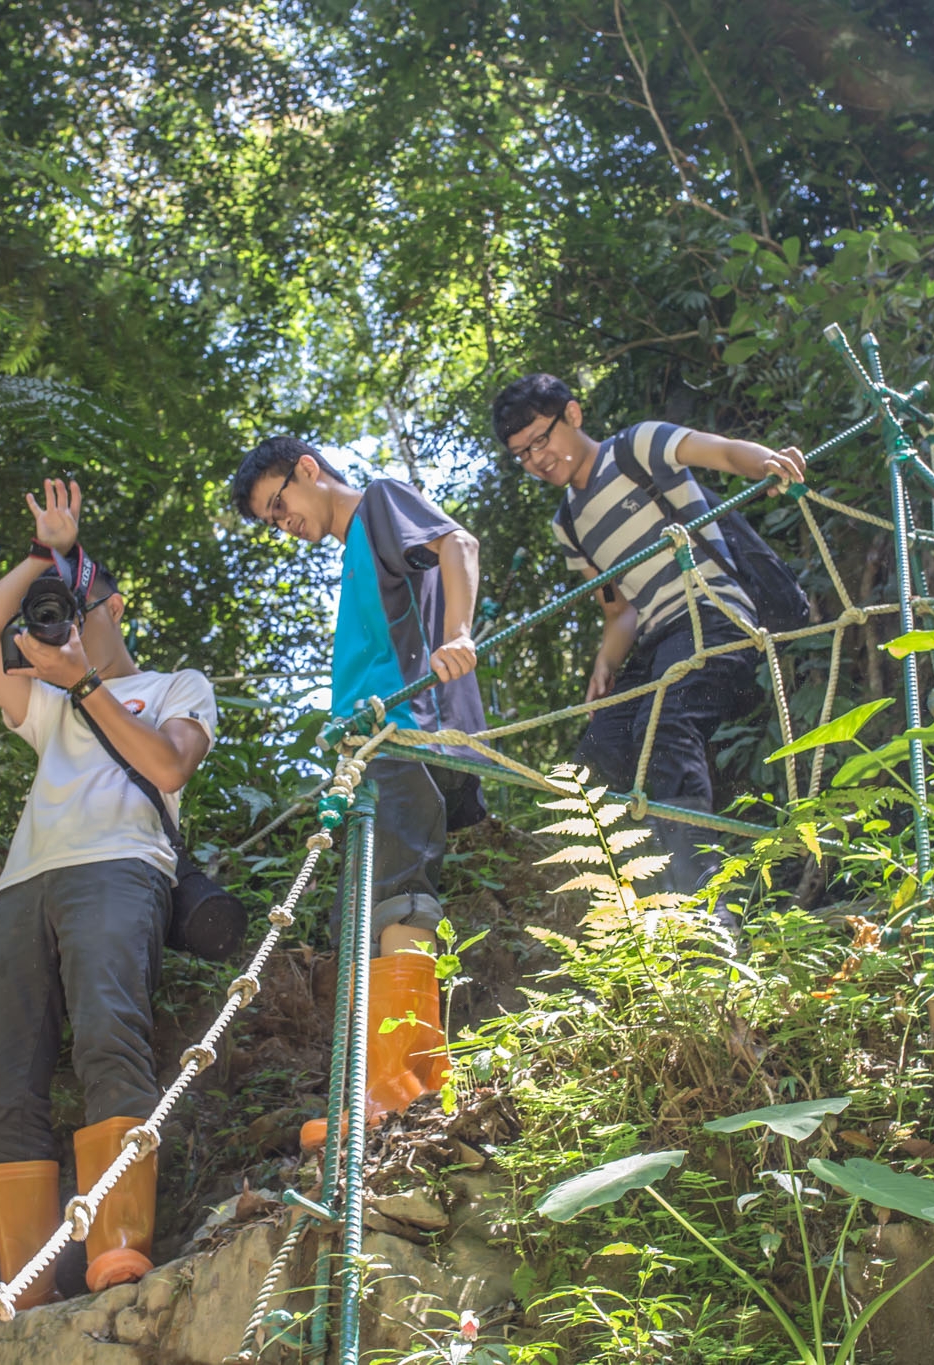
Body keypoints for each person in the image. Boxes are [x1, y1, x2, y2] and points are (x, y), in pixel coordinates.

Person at [0, 478, 219, 1348]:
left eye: (84, 598)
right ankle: (24, 1283)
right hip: (24, 885)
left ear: (115, 607)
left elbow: (169, 769)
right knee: (6, 1075)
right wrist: (41, 558)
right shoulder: (47, 698)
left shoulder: (178, 684)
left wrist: (86, 679)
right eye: (62, 604)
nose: (71, 614)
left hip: (120, 869)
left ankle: (118, 1243)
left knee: (109, 1034)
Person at [230, 438, 484, 1147]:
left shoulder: (378, 501)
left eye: (280, 503)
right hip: (372, 750)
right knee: (363, 916)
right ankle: (378, 1089)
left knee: (399, 888)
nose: (284, 522)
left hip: (404, 732)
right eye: (270, 520)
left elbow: (456, 541)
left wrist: (457, 636)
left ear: (308, 469)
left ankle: (406, 1090)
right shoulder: (354, 555)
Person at [491, 374, 806, 897]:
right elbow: (620, 613)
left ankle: (703, 904)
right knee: (592, 767)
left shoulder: (635, 448)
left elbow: (723, 454)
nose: (537, 460)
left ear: (572, 415)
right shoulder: (568, 523)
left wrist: (767, 462)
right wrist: (604, 665)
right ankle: (631, 908)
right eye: (522, 455)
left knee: (665, 728)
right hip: (658, 636)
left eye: (541, 440)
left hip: (713, 610)